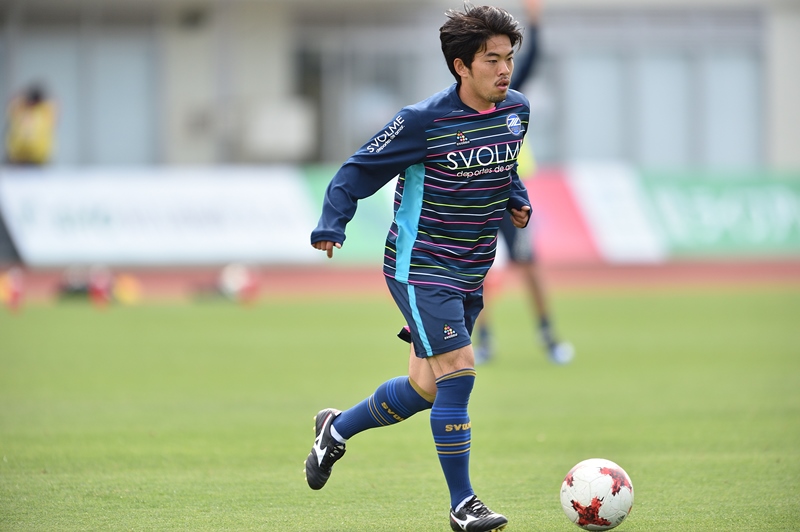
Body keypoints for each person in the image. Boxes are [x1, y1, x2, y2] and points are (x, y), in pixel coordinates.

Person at [306, 5, 530, 531]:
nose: (504, 70)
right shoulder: (422, 121)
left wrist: (516, 198)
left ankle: (334, 430)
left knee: (425, 389)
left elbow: (506, 163)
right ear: (461, 66)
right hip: (421, 264)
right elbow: (357, 169)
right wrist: (332, 222)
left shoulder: (516, 110)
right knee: (460, 371)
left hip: (471, 267)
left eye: (508, 58)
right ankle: (463, 504)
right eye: (491, 60)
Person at [472, 0, 574, 366]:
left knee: (528, 265)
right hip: (479, 198)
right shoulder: (463, 105)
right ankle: (483, 341)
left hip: (511, 194)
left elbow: (531, 60)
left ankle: (548, 336)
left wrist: (535, 22)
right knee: (479, 270)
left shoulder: (507, 97)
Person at [5, 84, 57, 165]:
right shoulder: (20, 109)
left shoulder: (43, 111)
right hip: (17, 158)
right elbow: (12, 105)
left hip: (39, 158)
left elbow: (54, 107)